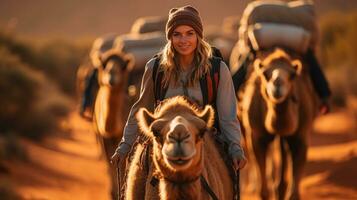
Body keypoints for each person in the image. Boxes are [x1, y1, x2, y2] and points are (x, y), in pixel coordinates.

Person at [111, 4, 247, 187]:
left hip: (203, 139)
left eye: (189, 33)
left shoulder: (217, 70)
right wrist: (125, 146)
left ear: (198, 35)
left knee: (229, 181)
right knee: (137, 180)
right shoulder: (155, 68)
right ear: (170, 37)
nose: (184, 40)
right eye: (177, 34)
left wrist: (235, 148)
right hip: (163, 141)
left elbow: (227, 116)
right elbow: (141, 108)